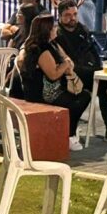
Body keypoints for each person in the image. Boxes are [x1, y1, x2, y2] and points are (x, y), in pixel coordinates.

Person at [14, 14, 91, 151]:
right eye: (54, 27)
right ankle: (69, 134)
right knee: (80, 99)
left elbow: (66, 59)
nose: (56, 29)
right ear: (47, 30)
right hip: (42, 94)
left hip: (51, 89)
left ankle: (68, 131)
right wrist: (65, 65)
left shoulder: (52, 44)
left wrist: (67, 63)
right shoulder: (41, 50)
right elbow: (53, 75)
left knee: (83, 95)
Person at [52, 0, 107, 139]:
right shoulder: (57, 34)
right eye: (68, 15)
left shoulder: (82, 30)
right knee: (102, 83)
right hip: (68, 75)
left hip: (88, 71)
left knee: (105, 85)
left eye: (75, 14)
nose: (72, 18)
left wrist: (97, 68)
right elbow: (62, 61)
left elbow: (93, 51)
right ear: (60, 16)